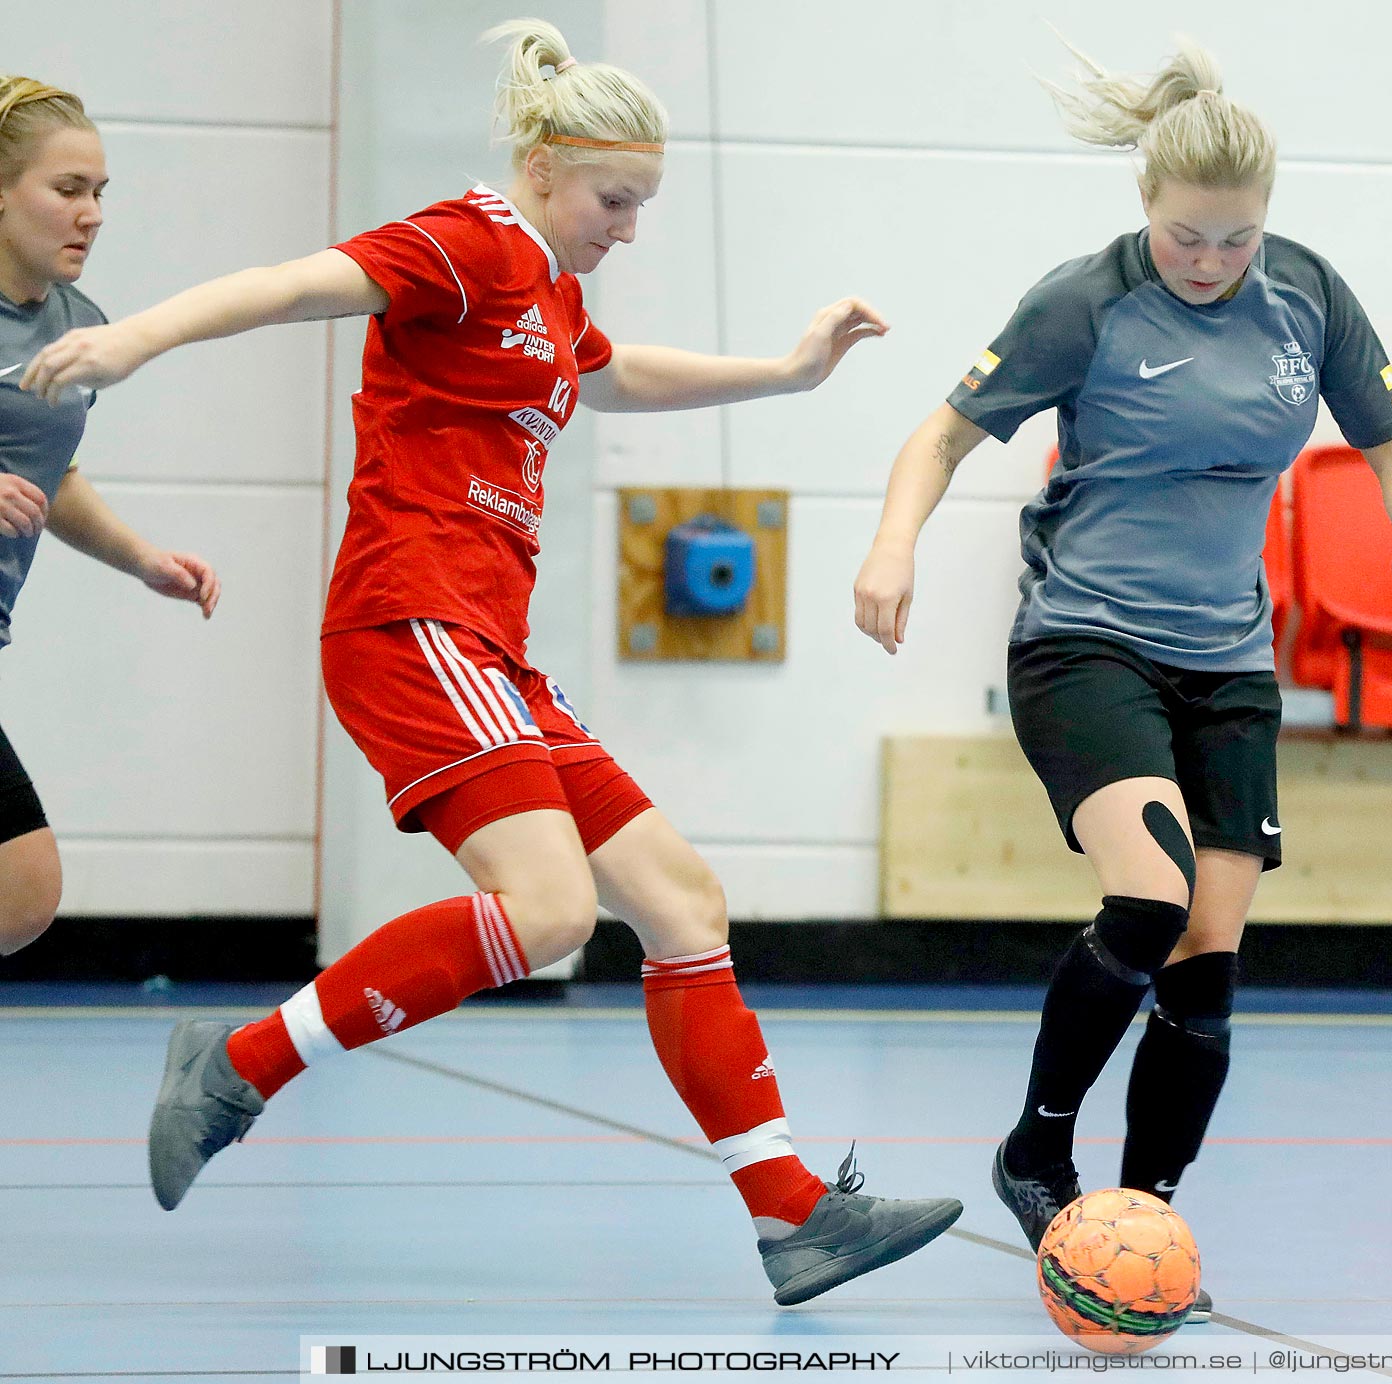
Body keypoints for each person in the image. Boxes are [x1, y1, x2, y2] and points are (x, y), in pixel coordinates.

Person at [25, 19, 960, 1305]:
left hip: (490, 648)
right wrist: (134, 342)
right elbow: (295, 282)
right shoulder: (463, 242)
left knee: (681, 903)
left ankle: (795, 1215)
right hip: (411, 622)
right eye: (613, 199)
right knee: (554, 911)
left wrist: (786, 375)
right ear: (540, 163)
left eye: (642, 205)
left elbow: (611, 376)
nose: (628, 226)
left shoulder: (551, 286)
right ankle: (239, 1061)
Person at [852, 36, 1392, 1315]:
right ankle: (1037, 1143)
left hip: (1227, 658)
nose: (1213, 260)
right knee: (1149, 892)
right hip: (1086, 642)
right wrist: (893, 541)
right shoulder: (1087, 299)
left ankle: (1141, 1225)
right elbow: (941, 432)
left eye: (1237, 238)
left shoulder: (1305, 294)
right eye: (1190, 235)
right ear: (1147, 207)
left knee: (1209, 953)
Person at [0, 75, 220, 956]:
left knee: (20, 895)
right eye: (66, 190)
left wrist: (141, 559)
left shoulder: (75, 326)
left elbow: (53, 472)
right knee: (24, 881)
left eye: (99, 192)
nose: (91, 213)